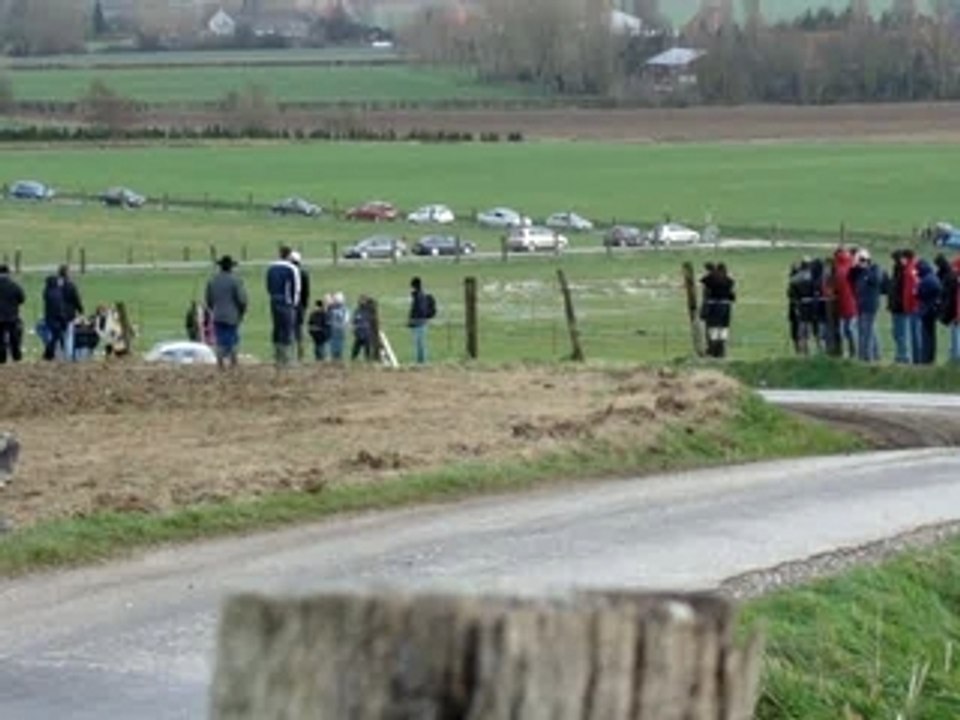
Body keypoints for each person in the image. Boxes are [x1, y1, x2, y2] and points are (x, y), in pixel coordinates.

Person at [205, 255, 249, 369]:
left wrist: (213, 309)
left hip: (218, 314)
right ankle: (233, 363)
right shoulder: (236, 280)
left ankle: (220, 363)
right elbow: (242, 299)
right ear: (231, 267)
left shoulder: (212, 280)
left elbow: (209, 299)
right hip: (232, 315)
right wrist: (242, 311)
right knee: (232, 338)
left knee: (220, 339)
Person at [265, 245, 301, 366]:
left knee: (277, 327)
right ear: (289, 255)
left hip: (274, 300)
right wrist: (294, 304)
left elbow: (268, 286)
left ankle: (277, 356)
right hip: (287, 302)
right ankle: (287, 358)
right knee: (287, 328)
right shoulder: (292, 269)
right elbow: (296, 288)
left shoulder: (271, 268)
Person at [849, 249, 882, 362]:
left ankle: (866, 357)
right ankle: (867, 356)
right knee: (864, 331)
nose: (860, 263)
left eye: (862, 260)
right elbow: (850, 278)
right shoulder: (859, 272)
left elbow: (876, 280)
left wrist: (866, 269)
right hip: (861, 306)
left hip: (870, 306)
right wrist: (854, 267)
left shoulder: (874, 269)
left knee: (866, 332)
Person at [701, 263, 736, 358]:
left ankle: (713, 350)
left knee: (713, 327)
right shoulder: (729, 281)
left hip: (713, 305)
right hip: (726, 305)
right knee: (724, 328)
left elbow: (704, 283)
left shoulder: (710, 279)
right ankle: (721, 349)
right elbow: (732, 296)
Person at [833, 247, 858, 358]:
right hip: (851, 302)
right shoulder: (851, 267)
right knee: (849, 329)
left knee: (846, 330)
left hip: (844, 303)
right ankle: (853, 352)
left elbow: (836, 287)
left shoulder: (839, 270)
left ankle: (849, 352)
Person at [916, 259, 942, 365]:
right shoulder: (934, 277)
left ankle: (925, 359)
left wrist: (917, 291)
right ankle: (931, 358)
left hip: (926, 310)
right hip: (933, 309)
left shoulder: (925, 280)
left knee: (926, 336)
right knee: (932, 336)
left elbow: (918, 294)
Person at [58, 265, 84, 361]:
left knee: (59, 335)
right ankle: (68, 357)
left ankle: (59, 356)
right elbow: (76, 299)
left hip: (57, 313)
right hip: (69, 314)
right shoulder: (71, 285)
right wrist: (81, 310)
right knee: (69, 336)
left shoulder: (56, 285)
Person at [0, 264, 25, 364]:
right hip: (12, 316)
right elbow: (22, 298)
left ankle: (1, 359)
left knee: (0, 340)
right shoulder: (14, 285)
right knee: (14, 339)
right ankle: (16, 358)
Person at [888, 250, 909, 363]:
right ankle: (900, 354)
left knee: (901, 333)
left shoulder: (903, 272)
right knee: (896, 332)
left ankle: (903, 356)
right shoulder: (896, 272)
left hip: (900, 308)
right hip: (895, 307)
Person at [289, 251, 311, 362]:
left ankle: (291, 355)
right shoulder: (304, 273)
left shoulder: (289, 273)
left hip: (290, 305)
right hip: (301, 305)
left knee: (291, 329)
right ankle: (301, 356)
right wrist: (305, 305)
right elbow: (306, 292)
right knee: (300, 330)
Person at [901, 249, 921, 364]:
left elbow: (910, 291)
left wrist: (907, 306)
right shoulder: (914, 268)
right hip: (915, 306)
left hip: (913, 307)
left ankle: (916, 360)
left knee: (915, 335)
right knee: (915, 334)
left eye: (902, 258)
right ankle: (916, 359)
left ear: (906, 258)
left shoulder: (909, 270)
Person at [42, 275, 67, 361]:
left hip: (49, 318)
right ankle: (50, 354)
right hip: (57, 318)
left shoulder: (47, 292)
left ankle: (49, 354)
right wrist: (63, 319)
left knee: (55, 337)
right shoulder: (57, 294)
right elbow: (59, 308)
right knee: (57, 337)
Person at [408, 276, 432, 364]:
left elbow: (418, 310)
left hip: (418, 322)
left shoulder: (419, 296)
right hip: (422, 322)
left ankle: (421, 361)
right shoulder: (421, 295)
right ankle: (421, 361)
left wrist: (412, 320)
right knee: (420, 343)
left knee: (419, 343)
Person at [327, 292, 350, 362]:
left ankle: (338, 358)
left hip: (340, 330)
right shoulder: (331, 308)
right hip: (333, 330)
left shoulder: (344, 309)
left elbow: (346, 318)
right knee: (333, 345)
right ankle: (333, 358)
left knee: (339, 345)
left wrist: (345, 324)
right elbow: (328, 316)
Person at [351, 295, 375, 362]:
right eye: (361, 300)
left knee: (367, 350)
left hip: (366, 333)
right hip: (359, 333)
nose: (361, 302)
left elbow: (373, 305)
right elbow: (354, 321)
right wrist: (354, 329)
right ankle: (353, 360)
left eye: (363, 300)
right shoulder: (357, 310)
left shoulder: (369, 310)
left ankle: (368, 361)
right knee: (355, 350)